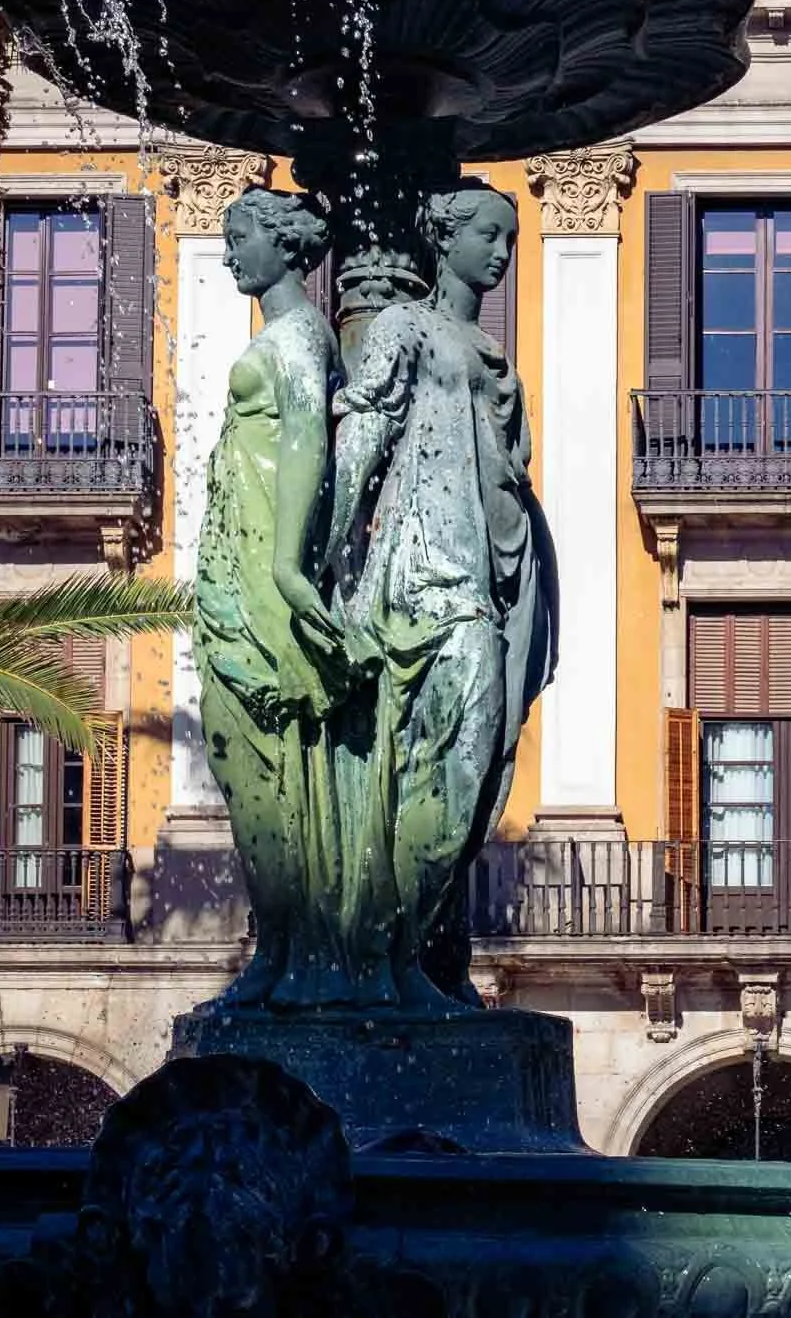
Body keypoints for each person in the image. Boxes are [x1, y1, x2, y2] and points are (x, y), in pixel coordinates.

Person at [328, 179, 556, 1007]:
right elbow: (362, 433)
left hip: (487, 582)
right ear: (443, 236)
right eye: (487, 234)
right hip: (426, 581)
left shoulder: (486, 352)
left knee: (481, 758)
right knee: (444, 762)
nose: (500, 252)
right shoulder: (403, 327)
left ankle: (419, 959)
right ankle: (389, 958)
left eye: (509, 238)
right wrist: (329, 560)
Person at [193, 187, 352, 1007]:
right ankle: (284, 946)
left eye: (240, 236)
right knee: (243, 754)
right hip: (242, 563)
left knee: (256, 754)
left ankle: (291, 948)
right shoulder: (290, 334)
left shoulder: (295, 336)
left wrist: (290, 568)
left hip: (262, 575)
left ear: (286, 245)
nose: (229, 254)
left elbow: (306, 437)